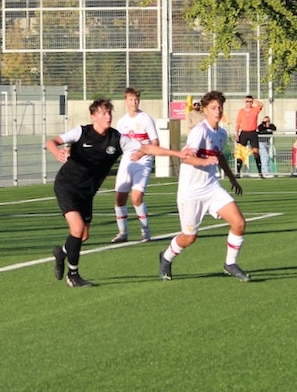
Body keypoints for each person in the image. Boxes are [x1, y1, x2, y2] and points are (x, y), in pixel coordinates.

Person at [48, 98, 189, 288]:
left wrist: (178, 154)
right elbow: (52, 141)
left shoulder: (117, 139)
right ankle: (73, 276)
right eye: (103, 113)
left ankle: (62, 253)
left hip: (87, 192)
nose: (108, 116)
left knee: (83, 236)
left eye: (109, 112)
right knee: (77, 229)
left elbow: (147, 147)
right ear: (93, 116)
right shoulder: (81, 132)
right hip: (67, 186)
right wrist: (56, 152)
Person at [159, 90, 251, 282]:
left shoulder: (221, 133)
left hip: (212, 187)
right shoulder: (199, 131)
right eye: (213, 108)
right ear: (206, 110)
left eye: (220, 107)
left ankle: (230, 263)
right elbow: (187, 158)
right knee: (189, 237)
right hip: (191, 192)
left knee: (239, 223)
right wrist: (204, 161)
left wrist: (232, 179)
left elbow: (219, 157)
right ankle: (166, 257)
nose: (217, 111)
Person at [110, 87, 160, 244]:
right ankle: (122, 233)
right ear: (126, 101)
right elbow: (117, 145)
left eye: (136, 99)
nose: (134, 102)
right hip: (127, 160)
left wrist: (141, 153)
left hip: (143, 161)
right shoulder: (122, 122)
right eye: (131, 99)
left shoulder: (145, 119)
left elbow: (155, 143)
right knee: (120, 198)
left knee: (136, 197)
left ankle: (145, 232)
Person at [234, 95, 264, 178]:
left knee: (256, 152)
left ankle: (260, 172)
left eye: (250, 102)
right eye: (247, 102)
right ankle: (238, 172)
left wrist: (253, 100)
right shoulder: (241, 111)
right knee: (241, 152)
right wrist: (236, 134)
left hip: (253, 133)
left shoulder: (255, 109)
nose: (249, 103)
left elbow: (261, 105)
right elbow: (238, 123)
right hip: (244, 133)